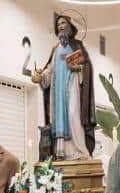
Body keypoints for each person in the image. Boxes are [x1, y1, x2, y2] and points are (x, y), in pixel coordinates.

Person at [31, 13, 96, 160]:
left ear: (70, 26)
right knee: (59, 118)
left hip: (72, 86)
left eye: (63, 23)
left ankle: (79, 151)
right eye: (58, 24)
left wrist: (78, 69)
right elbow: (50, 69)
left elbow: (87, 68)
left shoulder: (77, 46)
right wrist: (41, 76)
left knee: (73, 115)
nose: (60, 26)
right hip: (57, 91)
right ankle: (62, 152)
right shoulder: (55, 49)